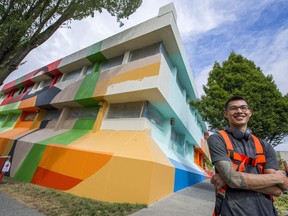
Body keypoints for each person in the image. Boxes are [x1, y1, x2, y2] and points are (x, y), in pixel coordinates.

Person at [207, 95, 288, 216]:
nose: (239, 111)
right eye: (233, 108)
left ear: (250, 112)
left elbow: (276, 190)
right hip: (232, 211)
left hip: (267, 211)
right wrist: (278, 178)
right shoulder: (217, 139)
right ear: (225, 114)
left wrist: (229, 179)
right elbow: (233, 179)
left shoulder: (265, 146)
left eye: (243, 107)